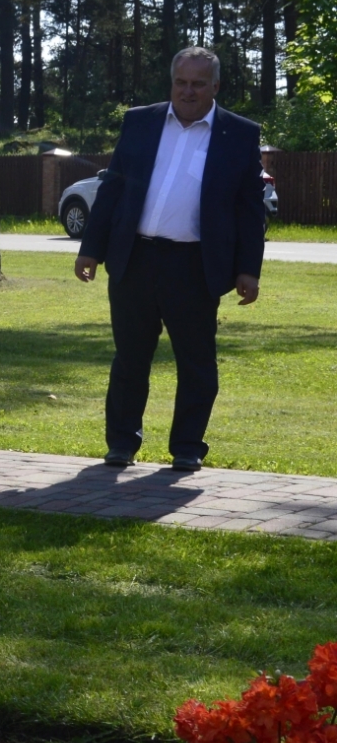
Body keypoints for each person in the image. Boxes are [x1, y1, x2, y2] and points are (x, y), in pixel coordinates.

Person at [74, 46, 267, 472]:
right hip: (134, 259)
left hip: (195, 266)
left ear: (215, 86)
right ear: (172, 82)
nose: (188, 91)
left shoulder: (239, 134)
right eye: (181, 82)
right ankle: (121, 443)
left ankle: (187, 446)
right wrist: (90, 248)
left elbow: (250, 209)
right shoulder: (140, 122)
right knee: (130, 359)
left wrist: (248, 269)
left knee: (197, 362)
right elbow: (113, 188)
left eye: (199, 83)